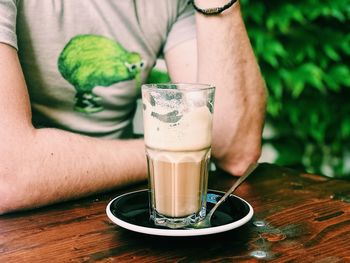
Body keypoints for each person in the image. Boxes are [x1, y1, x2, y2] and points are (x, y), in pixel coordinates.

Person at [0, 0, 266, 214]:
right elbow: (8, 175)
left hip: (121, 208)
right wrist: (169, 155)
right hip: (21, 226)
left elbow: (236, 151)